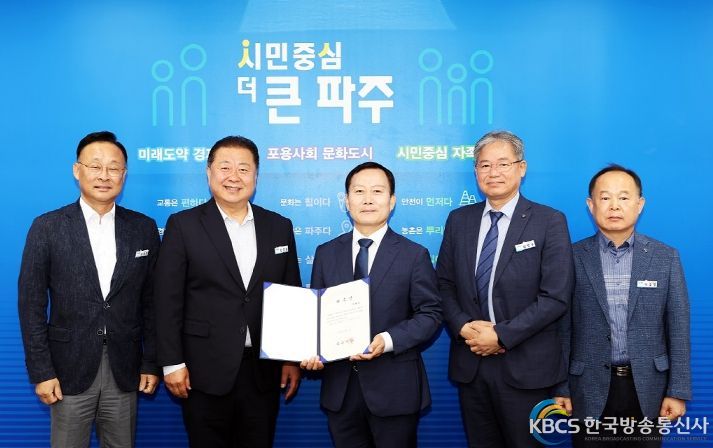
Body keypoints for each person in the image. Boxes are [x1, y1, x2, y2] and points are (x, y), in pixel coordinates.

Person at [154, 135, 302, 447]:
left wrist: (291, 359)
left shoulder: (279, 226)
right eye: (225, 167)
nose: (234, 176)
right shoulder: (183, 225)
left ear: (256, 176)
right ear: (209, 173)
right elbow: (167, 300)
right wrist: (172, 363)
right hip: (202, 371)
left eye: (244, 169)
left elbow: (290, 296)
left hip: (263, 371)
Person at [18, 131, 160, 447]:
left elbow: (151, 302)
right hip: (67, 368)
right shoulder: (48, 227)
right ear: (77, 170)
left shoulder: (143, 228)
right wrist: (42, 371)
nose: (104, 175)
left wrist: (151, 361)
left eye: (113, 168)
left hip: (125, 367)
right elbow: (31, 305)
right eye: (95, 166)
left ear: (124, 174)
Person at [436, 130, 574, 447]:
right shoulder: (459, 220)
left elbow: (555, 297)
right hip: (472, 363)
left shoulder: (549, 221)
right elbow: (443, 284)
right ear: (475, 171)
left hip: (527, 367)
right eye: (485, 165)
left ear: (521, 168)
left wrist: (500, 336)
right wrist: (463, 327)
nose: (493, 172)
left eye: (503, 163)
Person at [301, 162, 442, 447]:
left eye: (377, 191)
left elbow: (431, 314)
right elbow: (315, 315)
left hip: (395, 389)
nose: (368, 199)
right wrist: (308, 350)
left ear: (392, 201)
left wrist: (387, 340)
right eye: (359, 191)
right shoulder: (326, 253)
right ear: (346, 201)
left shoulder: (414, 254)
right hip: (340, 390)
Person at [554, 165, 691, 447]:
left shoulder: (665, 257)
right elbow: (561, 328)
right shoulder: (571, 257)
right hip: (586, 387)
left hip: (648, 388)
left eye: (624, 197)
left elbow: (678, 327)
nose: (614, 206)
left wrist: (677, 391)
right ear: (591, 205)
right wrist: (561, 387)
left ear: (639, 205)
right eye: (605, 198)